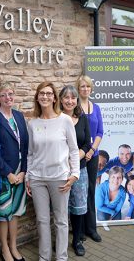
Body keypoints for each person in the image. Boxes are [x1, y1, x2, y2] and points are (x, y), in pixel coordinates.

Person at [26, 81, 79, 261]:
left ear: (54, 98)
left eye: (49, 93)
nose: (45, 96)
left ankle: (62, 258)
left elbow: (73, 149)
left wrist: (75, 175)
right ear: (37, 97)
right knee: (42, 221)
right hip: (38, 179)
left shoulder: (64, 120)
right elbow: (31, 154)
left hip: (60, 178)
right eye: (42, 93)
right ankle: (44, 257)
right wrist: (28, 177)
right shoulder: (33, 123)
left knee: (61, 221)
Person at [0, 81, 28, 261]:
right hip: (4, 174)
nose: (8, 97)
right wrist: (9, 174)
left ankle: (13, 246)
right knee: (3, 213)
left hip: (19, 172)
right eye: (3, 95)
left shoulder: (19, 116)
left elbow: (26, 147)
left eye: (10, 93)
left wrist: (23, 171)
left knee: (16, 211)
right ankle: (4, 249)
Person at [59, 85, 91, 256]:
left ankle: (77, 239)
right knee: (62, 208)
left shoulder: (82, 118)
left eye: (73, 98)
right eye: (66, 97)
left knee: (78, 207)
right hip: (60, 171)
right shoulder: (56, 118)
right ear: (61, 100)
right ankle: (61, 239)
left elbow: (87, 143)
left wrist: (77, 156)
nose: (70, 101)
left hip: (80, 169)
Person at [76, 75, 103, 242]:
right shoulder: (74, 107)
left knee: (91, 190)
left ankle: (91, 229)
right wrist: (83, 151)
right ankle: (78, 230)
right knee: (79, 193)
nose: (85, 89)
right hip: (78, 156)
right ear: (78, 89)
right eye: (82, 86)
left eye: (88, 86)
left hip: (92, 155)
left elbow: (100, 132)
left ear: (91, 89)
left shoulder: (96, 108)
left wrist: (92, 150)